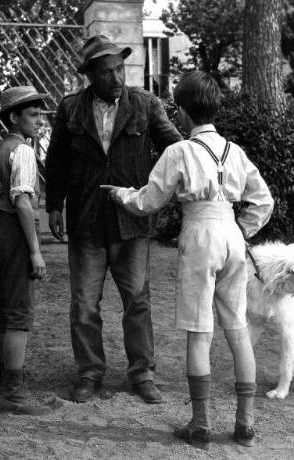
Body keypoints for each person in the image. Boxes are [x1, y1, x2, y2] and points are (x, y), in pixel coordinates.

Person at [101, 70, 274, 448]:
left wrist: (120, 195)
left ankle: (201, 423)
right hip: (230, 233)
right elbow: (264, 201)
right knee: (238, 328)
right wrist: (241, 230)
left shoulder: (178, 152)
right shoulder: (236, 151)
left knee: (199, 331)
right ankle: (245, 423)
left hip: (200, 236)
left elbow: (149, 201)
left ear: (182, 111)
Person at [45, 35, 182, 404]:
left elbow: (177, 150)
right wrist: (53, 205)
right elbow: (56, 160)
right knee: (84, 304)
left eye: (120, 68)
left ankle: (143, 374)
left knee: (138, 300)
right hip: (86, 220)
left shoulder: (146, 104)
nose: (116, 77)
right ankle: (89, 373)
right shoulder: (70, 108)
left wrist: (161, 191)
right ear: (90, 75)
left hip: (131, 221)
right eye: (106, 72)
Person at [0, 86, 51, 415]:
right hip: (12, 229)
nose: (39, 121)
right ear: (14, 118)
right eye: (33, 115)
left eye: (41, 115)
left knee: (3, 310)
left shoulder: (0, 148)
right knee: (19, 312)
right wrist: (35, 251)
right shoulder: (22, 150)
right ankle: (12, 393)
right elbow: (23, 202)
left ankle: (3, 382)